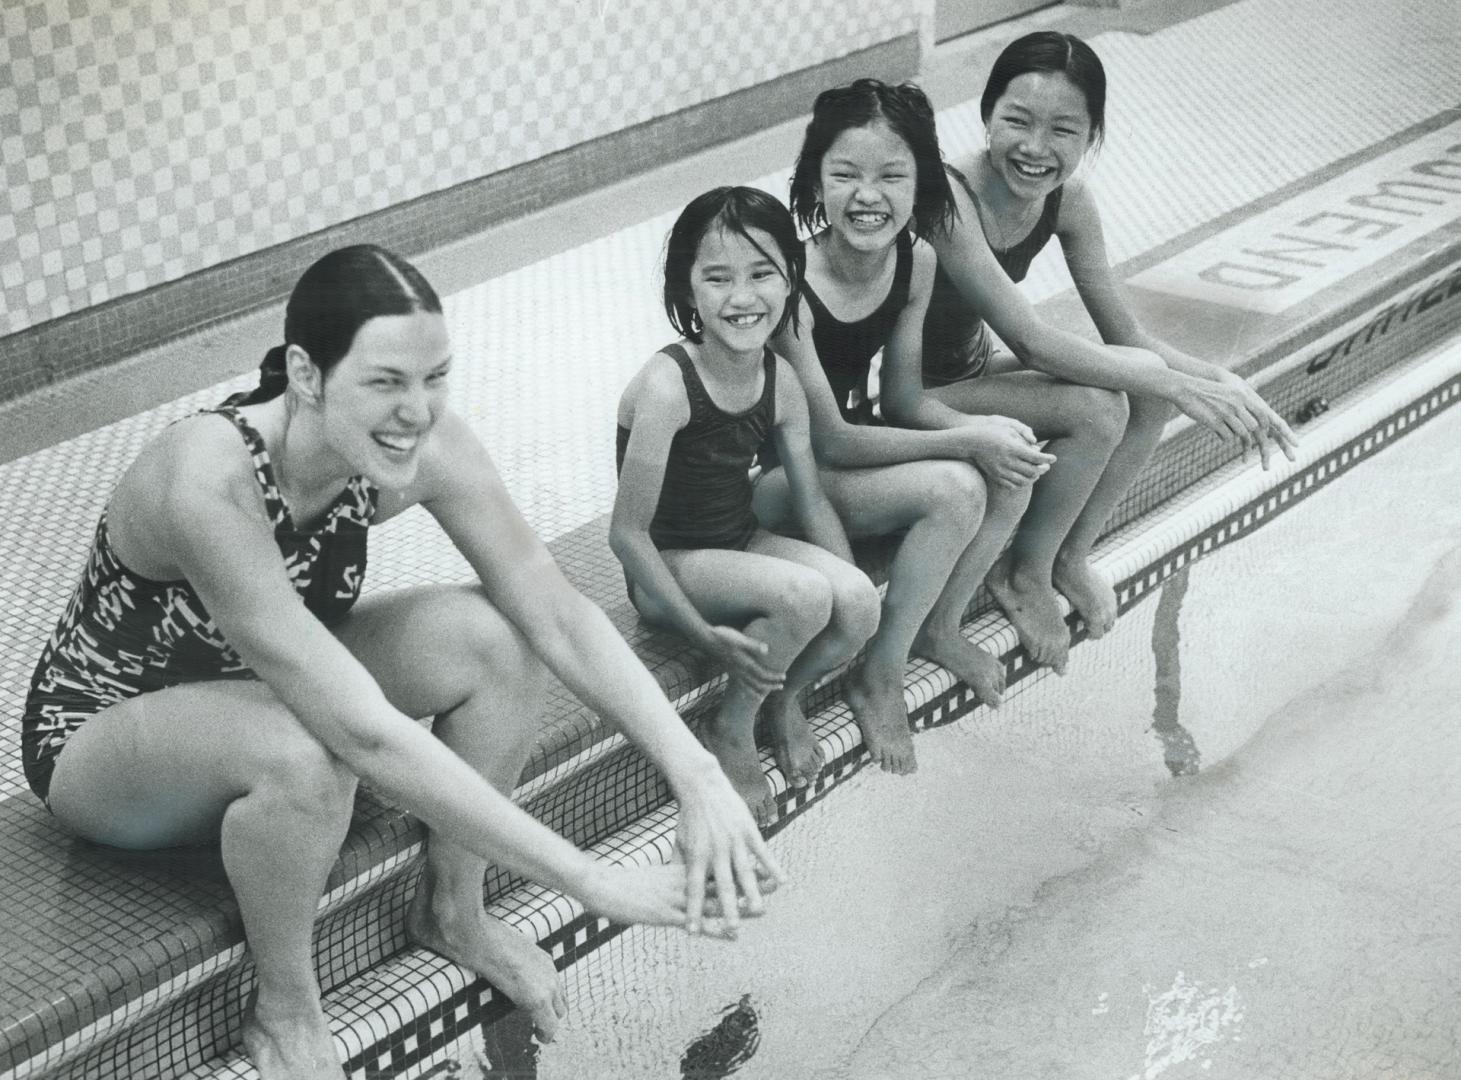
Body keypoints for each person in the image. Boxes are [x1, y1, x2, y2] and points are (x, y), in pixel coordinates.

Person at [21, 245, 782, 1080]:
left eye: (435, 379)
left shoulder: (419, 445)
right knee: (310, 756)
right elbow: (361, 733)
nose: (416, 412)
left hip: (260, 686)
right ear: (307, 375)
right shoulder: (208, 477)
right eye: (385, 382)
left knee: (498, 636)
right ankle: (283, 1005)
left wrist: (695, 771)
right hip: (106, 734)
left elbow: (557, 609)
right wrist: (586, 879)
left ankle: (452, 908)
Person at [885, 31, 1299, 672]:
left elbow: (1127, 337)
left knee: (1142, 378)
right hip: (913, 396)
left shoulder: (1069, 201)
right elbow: (1029, 339)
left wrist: (1221, 378)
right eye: (1017, 121)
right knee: (1102, 407)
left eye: (1063, 131)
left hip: (971, 372)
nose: (1035, 149)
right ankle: (1025, 573)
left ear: (1090, 137)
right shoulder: (947, 198)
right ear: (986, 114)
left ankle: (1068, 555)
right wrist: (1173, 383)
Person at [751, 79, 1055, 773]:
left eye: (891, 175)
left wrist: (990, 433)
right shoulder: (789, 284)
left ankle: (935, 629)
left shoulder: (912, 259)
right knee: (956, 484)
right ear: (813, 181)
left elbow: (906, 400)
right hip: (774, 482)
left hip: (843, 464)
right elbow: (827, 439)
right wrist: (963, 439)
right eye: (845, 174)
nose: (868, 195)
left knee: (1006, 465)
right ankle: (876, 672)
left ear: (919, 183)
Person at [612, 187, 881, 824]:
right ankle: (731, 728)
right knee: (803, 597)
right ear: (688, 288)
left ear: (790, 279)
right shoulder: (668, 387)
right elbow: (628, 536)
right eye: (718, 277)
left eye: (762, 273)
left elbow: (810, 498)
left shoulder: (779, 382)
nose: (742, 297)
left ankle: (782, 699)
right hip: (668, 565)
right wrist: (699, 631)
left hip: (737, 541)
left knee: (857, 601)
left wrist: (856, 601)